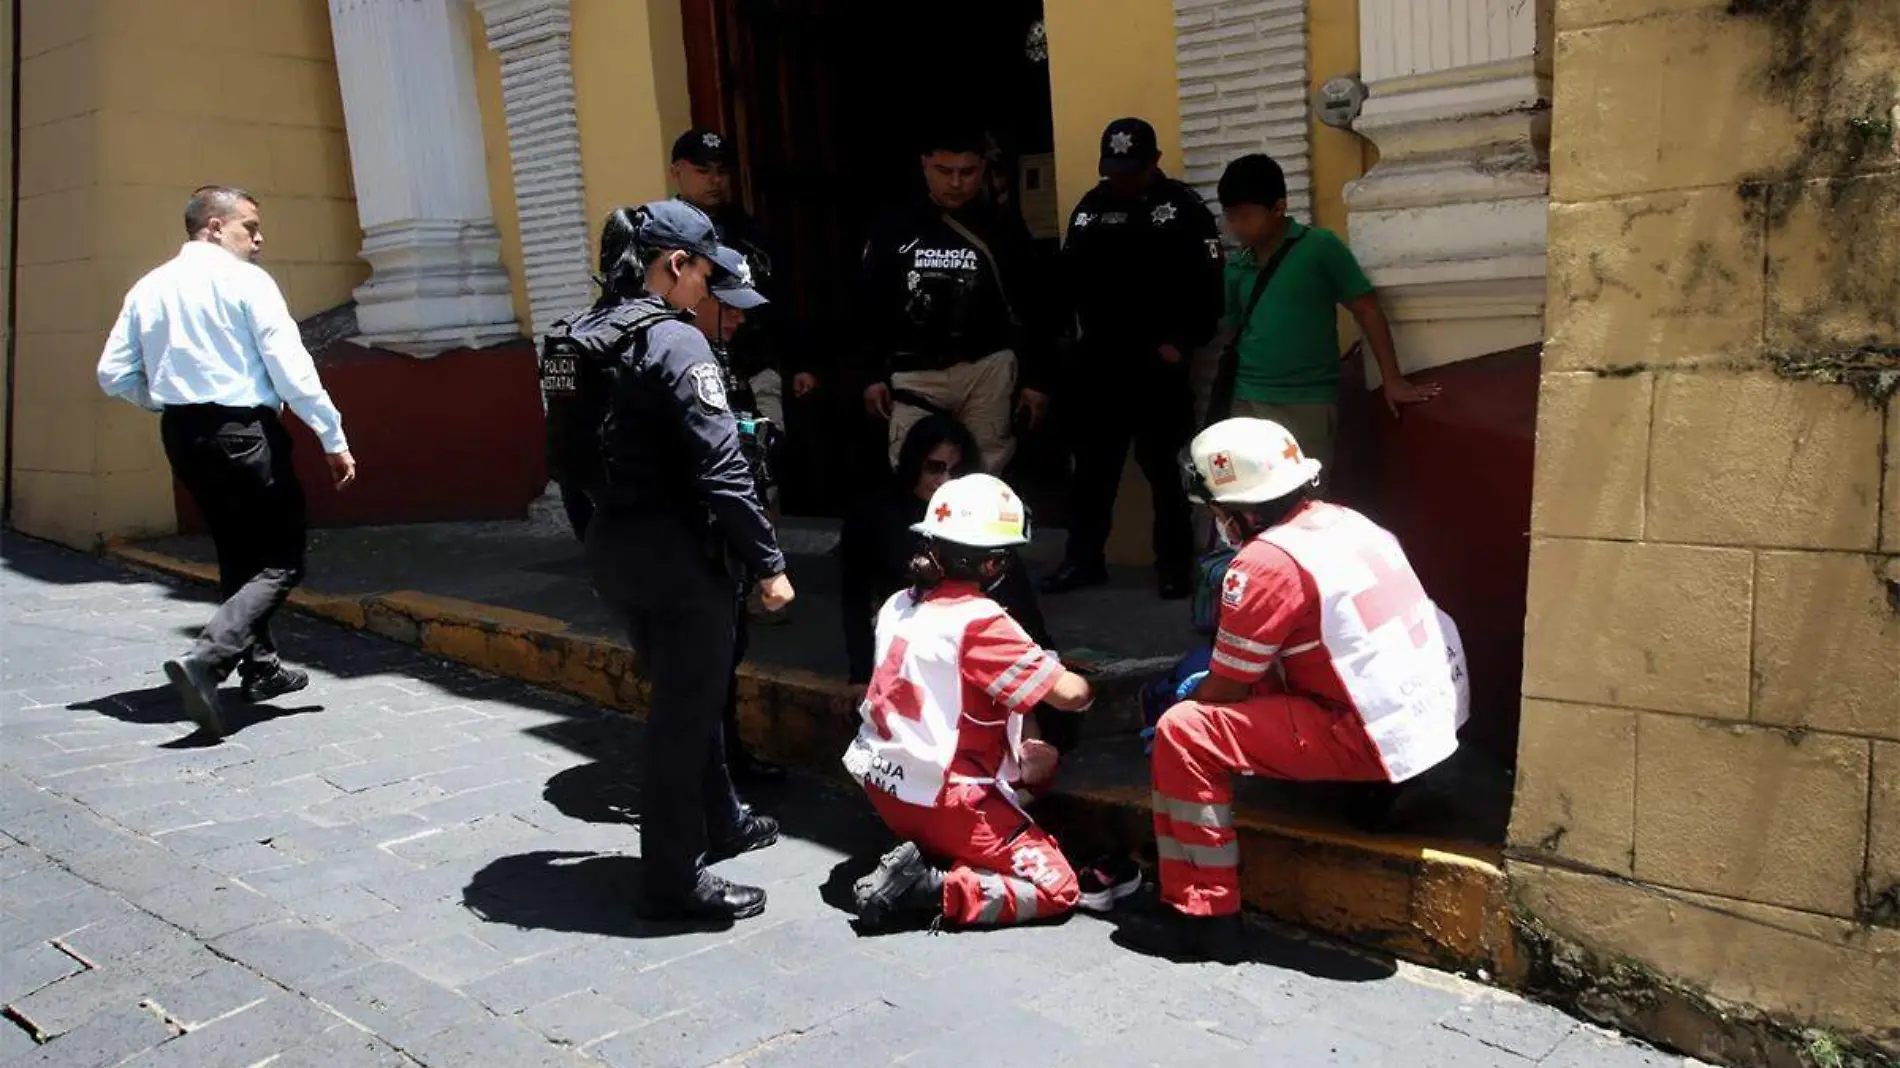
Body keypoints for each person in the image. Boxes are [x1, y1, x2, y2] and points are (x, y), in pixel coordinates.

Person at [1128, 417, 1468, 961]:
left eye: (1217, 511)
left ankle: (1204, 916)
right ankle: (1378, 787)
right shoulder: (1349, 522)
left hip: (1365, 735)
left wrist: (1181, 701)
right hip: (1431, 718)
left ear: (1240, 511)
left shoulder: (1263, 563)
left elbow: (1226, 690)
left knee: (1185, 732)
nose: (1216, 522)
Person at [576, 200, 794, 923]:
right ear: (677, 265)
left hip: (615, 545)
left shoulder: (593, 331)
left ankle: (723, 820)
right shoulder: (674, 340)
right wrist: (768, 562)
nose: (707, 289)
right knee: (680, 720)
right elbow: (722, 470)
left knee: (688, 698)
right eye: (704, 273)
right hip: (676, 554)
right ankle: (673, 880)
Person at [96, 186, 357, 740]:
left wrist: (169, 401)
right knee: (282, 559)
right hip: (244, 433)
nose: (259, 241)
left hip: (183, 435)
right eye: (250, 228)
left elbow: (113, 374)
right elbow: (291, 364)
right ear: (214, 227)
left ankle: (260, 668)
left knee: (238, 549)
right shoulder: (246, 282)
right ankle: (207, 660)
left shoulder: (149, 287)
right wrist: (331, 435)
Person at [845, 474, 1096, 930]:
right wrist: (1085, 682)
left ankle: (938, 849)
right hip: (948, 799)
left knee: (1039, 767)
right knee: (1058, 887)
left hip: (887, 785)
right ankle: (933, 887)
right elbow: (1070, 694)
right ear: (993, 565)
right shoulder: (981, 622)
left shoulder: (897, 603)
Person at [1041, 118, 1225, 601]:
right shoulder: (1092, 208)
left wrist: (1182, 344)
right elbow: (1066, 281)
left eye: (1131, 170)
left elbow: (1209, 285)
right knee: (1092, 473)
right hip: (1099, 364)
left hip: (1157, 368)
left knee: (1167, 474)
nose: (1120, 179)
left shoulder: (1183, 208)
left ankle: (1173, 567)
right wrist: (1062, 344)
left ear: (1155, 162)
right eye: (1113, 170)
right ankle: (1083, 560)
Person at [1214, 154, 1440, 475]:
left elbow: (1366, 307)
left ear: (1279, 208)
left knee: (1304, 503)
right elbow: (1230, 326)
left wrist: (1392, 378)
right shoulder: (1239, 264)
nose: (1235, 226)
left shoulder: (1320, 248)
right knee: (1249, 504)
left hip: (1307, 402)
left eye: (1245, 215)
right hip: (1247, 399)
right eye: (1230, 217)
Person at [857, 123, 1050, 474]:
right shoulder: (894, 226)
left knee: (985, 476)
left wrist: (1037, 379)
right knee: (915, 474)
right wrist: (871, 374)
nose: (957, 183)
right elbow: (870, 305)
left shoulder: (1003, 227)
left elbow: (1035, 305)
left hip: (986, 369)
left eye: (968, 172)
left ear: (982, 168)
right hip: (915, 373)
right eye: (945, 172)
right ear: (924, 165)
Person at [838, 414, 1052, 686]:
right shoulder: (871, 516)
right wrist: (861, 675)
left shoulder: (978, 513)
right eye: (934, 468)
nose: (945, 481)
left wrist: (1044, 653)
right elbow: (855, 599)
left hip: (975, 643)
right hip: (908, 648)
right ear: (914, 464)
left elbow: (1015, 587)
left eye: (956, 471)